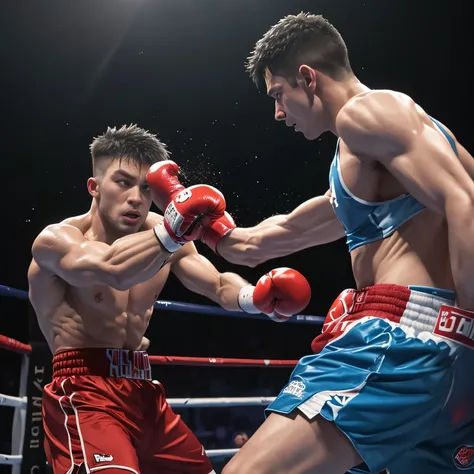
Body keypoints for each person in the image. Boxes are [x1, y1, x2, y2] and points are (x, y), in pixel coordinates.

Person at [152, 13, 474, 474]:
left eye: (278, 95)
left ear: (308, 77)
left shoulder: (368, 113)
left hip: (404, 344)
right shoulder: (372, 163)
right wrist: (208, 228)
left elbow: (466, 203)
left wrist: (469, 318)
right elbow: (273, 236)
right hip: (446, 365)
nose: (278, 113)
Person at [27, 124, 312, 474]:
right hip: (84, 393)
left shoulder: (166, 233)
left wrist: (256, 297)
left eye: (147, 187)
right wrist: (171, 231)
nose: (136, 197)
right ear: (94, 186)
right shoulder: (57, 240)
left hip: (144, 391)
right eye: (122, 182)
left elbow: (217, 283)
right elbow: (111, 267)